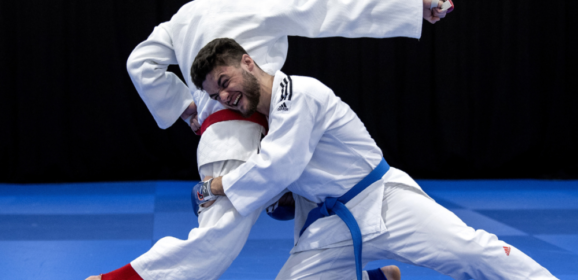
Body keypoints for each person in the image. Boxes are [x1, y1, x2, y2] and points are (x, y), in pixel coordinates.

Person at [86, 0, 451, 279]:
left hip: (263, 131)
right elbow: (331, 9)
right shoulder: (258, 3)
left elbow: (140, 62)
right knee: (219, 240)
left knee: (314, 224)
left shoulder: (184, 15)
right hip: (248, 132)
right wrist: (411, 7)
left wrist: (185, 108)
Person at [190, 37, 558, 280]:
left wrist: (213, 187)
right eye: (215, 94)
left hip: (385, 202)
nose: (224, 96)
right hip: (333, 223)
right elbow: (281, 179)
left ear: (248, 62)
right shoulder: (265, 125)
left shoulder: (299, 92)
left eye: (224, 82)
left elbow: (279, 164)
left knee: (471, 252)